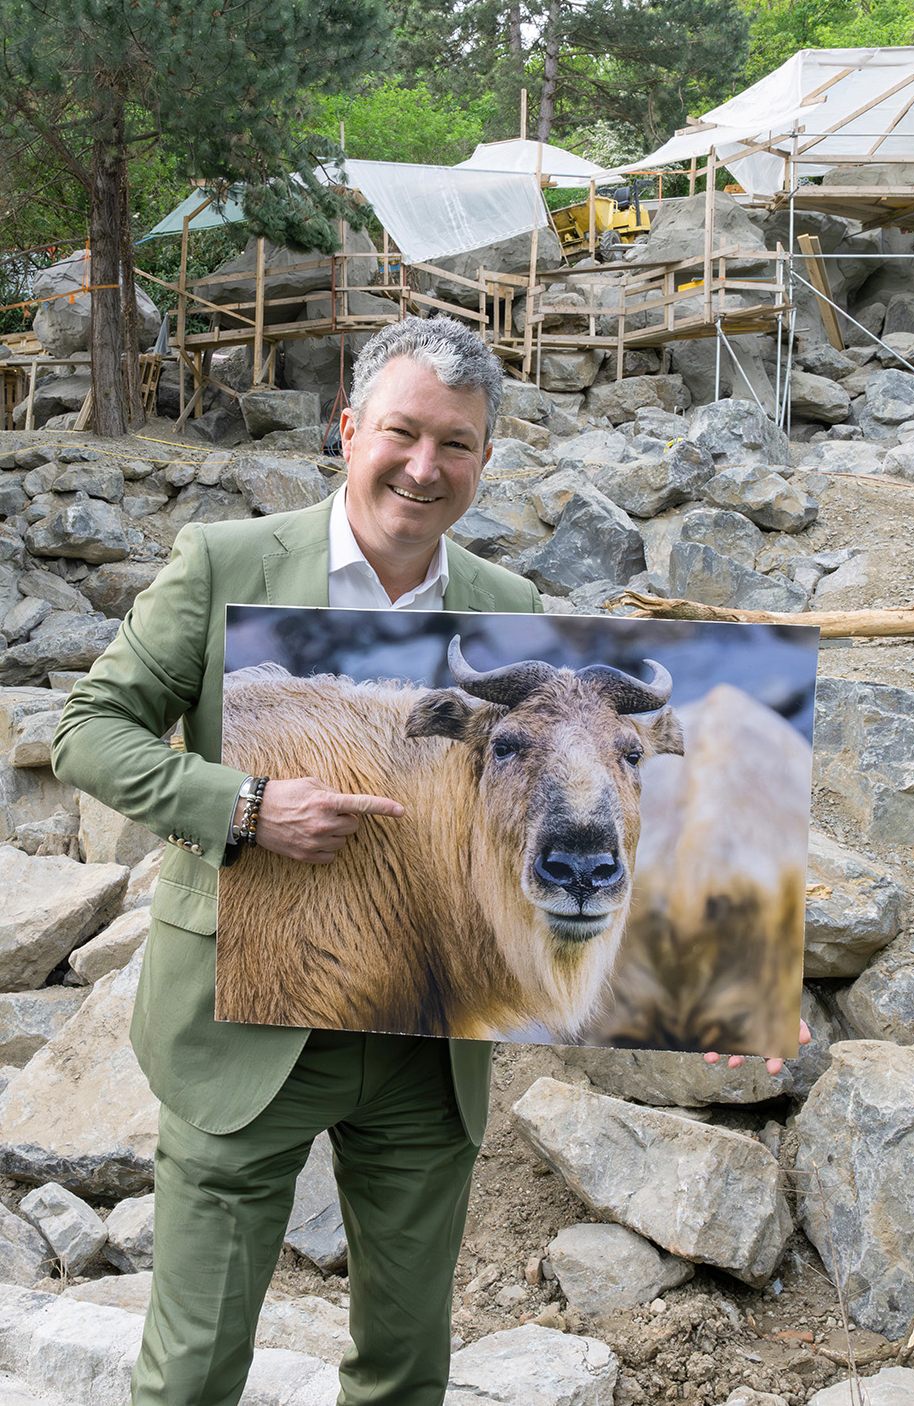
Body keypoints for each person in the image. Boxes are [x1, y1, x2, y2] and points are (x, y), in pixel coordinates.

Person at [52, 315, 804, 1406]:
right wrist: (244, 803)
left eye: (455, 442)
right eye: (401, 432)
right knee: (193, 1365)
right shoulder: (224, 561)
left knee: (407, 1365)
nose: (424, 465)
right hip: (251, 1019)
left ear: (485, 456)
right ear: (347, 427)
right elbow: (87, 728)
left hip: (428, 1033)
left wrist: (733, 996)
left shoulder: (506, 609)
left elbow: (536, 802)